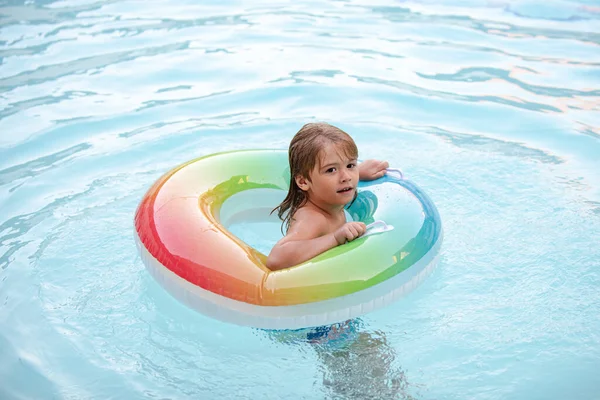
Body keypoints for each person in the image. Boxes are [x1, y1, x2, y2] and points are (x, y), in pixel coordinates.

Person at [266, 122, 389, 271]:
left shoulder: (329, 198)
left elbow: (342, 177)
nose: (346, 177)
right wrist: (335, 238)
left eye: (350, 166)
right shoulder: (313, 219)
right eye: (331, 170)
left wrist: (360, 173)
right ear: (303, 181)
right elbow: (276, 259)